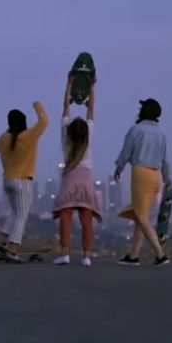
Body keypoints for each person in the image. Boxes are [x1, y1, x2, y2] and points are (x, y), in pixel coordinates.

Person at [114, 98, 172, 267]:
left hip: (141, 174)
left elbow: (126, 151)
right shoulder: (161, 134)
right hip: (156, 176)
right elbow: (165, 160)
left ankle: (160, 254)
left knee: (141, 216)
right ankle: (134, 255)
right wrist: (167, 178)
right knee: (141, 215)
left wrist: (119, 167)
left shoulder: (136, 130)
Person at [52, 74, 102, 266]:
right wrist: (92, 88)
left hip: (70, 176)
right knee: (86, 218)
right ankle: (86, 256)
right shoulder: (89, 135)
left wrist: (69, 85)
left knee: (66, 216)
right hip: (86, 177)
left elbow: (65, 107)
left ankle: (64, 253)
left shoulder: (66, 135)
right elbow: (91, 109)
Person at [0, 101, 49, 262]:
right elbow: (44, 121)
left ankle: (1, 242)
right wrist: (38, 106)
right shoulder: (28, 136)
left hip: (7, 181)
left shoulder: (4, 138)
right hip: (23, 181)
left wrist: (8, 131)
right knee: (22, 215)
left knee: (15, 213)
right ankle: (13, 248)